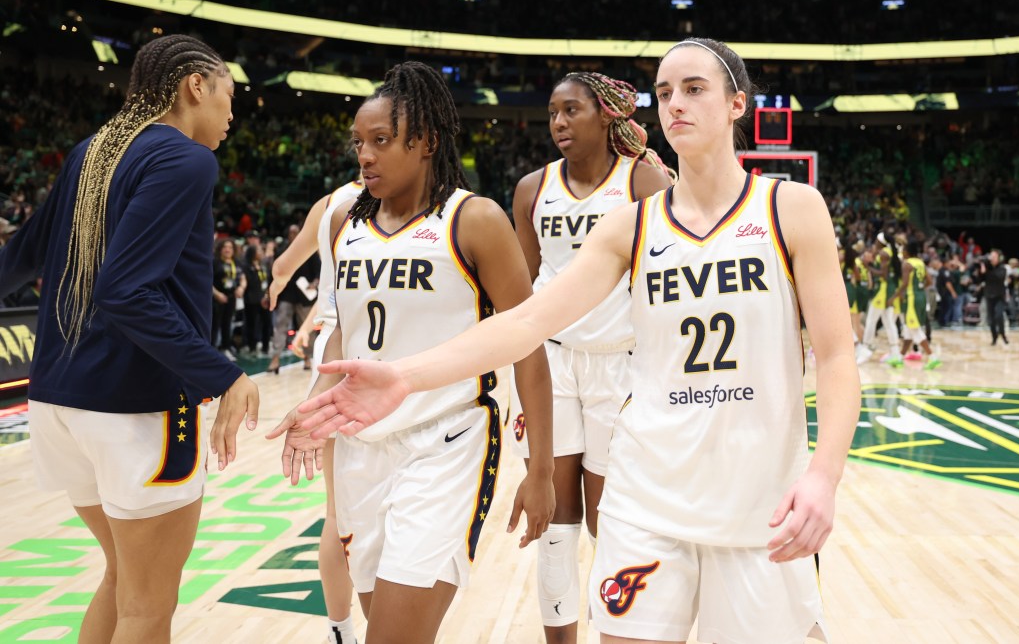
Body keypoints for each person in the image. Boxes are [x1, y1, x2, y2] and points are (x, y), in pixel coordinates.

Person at [298, 38, 860, 644]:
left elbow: (833, 356)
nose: (676, 104)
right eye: (665, 93)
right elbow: (525, 323)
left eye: (694, 89)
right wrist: (408, 375)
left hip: (760, 505)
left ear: (735, 105)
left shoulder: (792, 208)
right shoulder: (631, 226)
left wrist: (824, 477)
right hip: (648, 501)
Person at [268, 62, 556, 644]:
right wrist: (319, 407)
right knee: (389, 627)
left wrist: (542, 468)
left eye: (380, 141)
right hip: (359, 449)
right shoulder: (348, 220)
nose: (364, 156)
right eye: (359, 143)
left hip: (443, 445)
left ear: (424, 142)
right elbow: (350, 336)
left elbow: (527, 344)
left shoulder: (474, 219)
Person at [0, 34, 260, 643]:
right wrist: (224, 373)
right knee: (147, 608)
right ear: (196, 85)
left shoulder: (90, 151)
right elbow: (128, 292)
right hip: (133, 405)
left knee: (122, 579)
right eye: (229, 96)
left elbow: (19, 258)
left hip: (55, 403)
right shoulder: (187, 159)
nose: (231, 114)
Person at [509, 71, 671, 642]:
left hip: (622, 364)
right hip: (551, 361)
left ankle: (617, 630)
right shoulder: (533, 187)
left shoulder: (645, 182)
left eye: (571, 110)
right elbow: (521, 286)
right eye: (552, 112)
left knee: (611, 523)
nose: (558, 123)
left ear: (606, 115)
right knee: (553, 523)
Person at [264, 178, 364, 644]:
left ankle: (340, 631)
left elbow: (283, 266)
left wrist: (278, 286)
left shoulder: (328, 202)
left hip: (331, 341)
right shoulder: (405, 200)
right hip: (363, 342)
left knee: (336, 510)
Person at [267, 223, 319, 373]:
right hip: (286, 294)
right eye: (291, 232)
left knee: (307, 327)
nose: (294, 235)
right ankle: (275, 359)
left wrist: (315, 283)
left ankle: (307, 358)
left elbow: (319, 271)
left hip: (305, 295)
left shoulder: (309, 250)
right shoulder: (282, 251)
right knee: (280, 325)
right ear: (288, 235)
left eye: (296, 232)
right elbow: (274, 273)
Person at [886, 241, 941, 369]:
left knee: (915, 330)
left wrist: (894, 297)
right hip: (921, 296)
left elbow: (904, 284)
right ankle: (899, 357)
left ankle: (932, 357)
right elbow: (929, 281)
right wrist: (920, 288)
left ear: (907, 251)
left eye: (903, 250)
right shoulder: (920, 262)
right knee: (908, 331)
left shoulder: (907, 264)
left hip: (912, 299)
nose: (902, 252)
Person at [862, 231, 901, 363]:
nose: (875, 242)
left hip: (883, 290)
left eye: (876, 240)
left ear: (881, 242)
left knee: (871, 320)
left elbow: (883, 275)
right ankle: (895, 353)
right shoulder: (888, 252)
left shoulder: (884, 253)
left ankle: (865, 349)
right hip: (889, 289)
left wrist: (868, 267)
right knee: (889, 323)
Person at [212, 237, 245, 356]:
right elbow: (207, 281)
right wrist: (217, 294)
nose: (227, 249)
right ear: (220, 249)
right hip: (216, 298)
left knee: (227, 323)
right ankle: (211, 350)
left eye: (230, 247)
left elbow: (243, 278)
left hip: (231, 298)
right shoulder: (215, 262)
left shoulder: (236, 262)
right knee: (214, 325)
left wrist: (241, 287)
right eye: (225, 247)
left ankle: (226, 348)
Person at [241, 243, 272, 356]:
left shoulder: (263, 265)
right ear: (252, 253)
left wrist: (266, 295)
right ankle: (252, 347)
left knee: (267, 323)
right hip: (251, 300)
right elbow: (250, 283)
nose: (261, 252)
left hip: (265, 299)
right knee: (252, 324)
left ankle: (265, 347)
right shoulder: (246, 267)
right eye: (258, 250)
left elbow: (267, 281)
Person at [979, 249, 1009, 345]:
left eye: (994, 257)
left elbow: (999, 277)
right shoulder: (987, 268)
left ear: (998, 258)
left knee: (999, 316)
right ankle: (994, 337)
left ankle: (1003, 334)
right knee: (991, 319)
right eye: (991, 256)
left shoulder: (1002, 268)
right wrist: (982, 270)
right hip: (989, 295)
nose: (992, 258)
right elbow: (980, 279)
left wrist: (989, 268)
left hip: (999, 296)